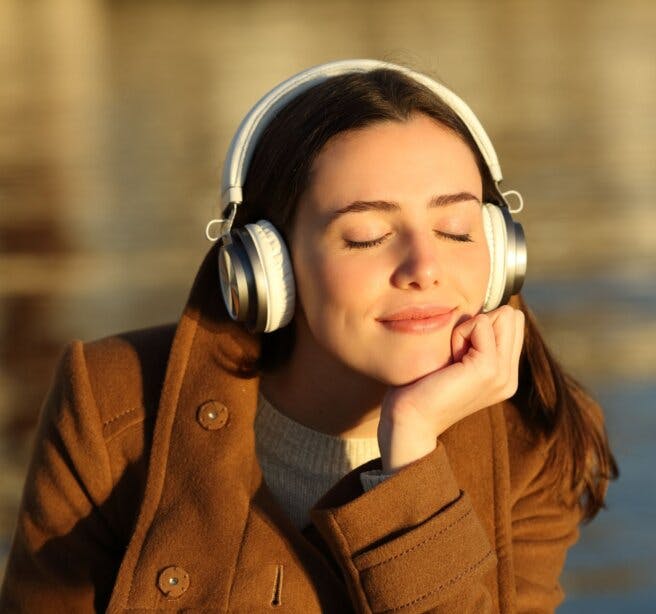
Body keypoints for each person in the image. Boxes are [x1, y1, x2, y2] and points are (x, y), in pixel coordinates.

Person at [0, 60, 617, 613]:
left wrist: (411, 454)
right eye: (367, 236)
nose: (423, 267)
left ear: (500, 253)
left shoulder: (532, 442)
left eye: (455, 229)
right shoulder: (113, 406)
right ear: (268, 268)